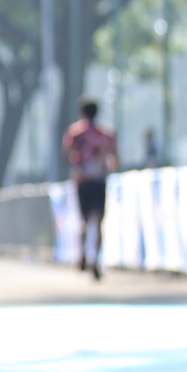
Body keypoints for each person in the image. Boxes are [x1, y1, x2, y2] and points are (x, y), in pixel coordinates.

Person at [63, 98, 118, 280]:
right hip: (99, 180)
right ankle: (96, 259)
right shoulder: (106, 133)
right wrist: (104, 167)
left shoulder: (75, 133)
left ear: (82, 112)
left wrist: (79, 164)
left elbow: (66, 155)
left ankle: (83, 255)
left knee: (84, 220)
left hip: (82, 181)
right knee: (99, 220)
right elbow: (115, 157)